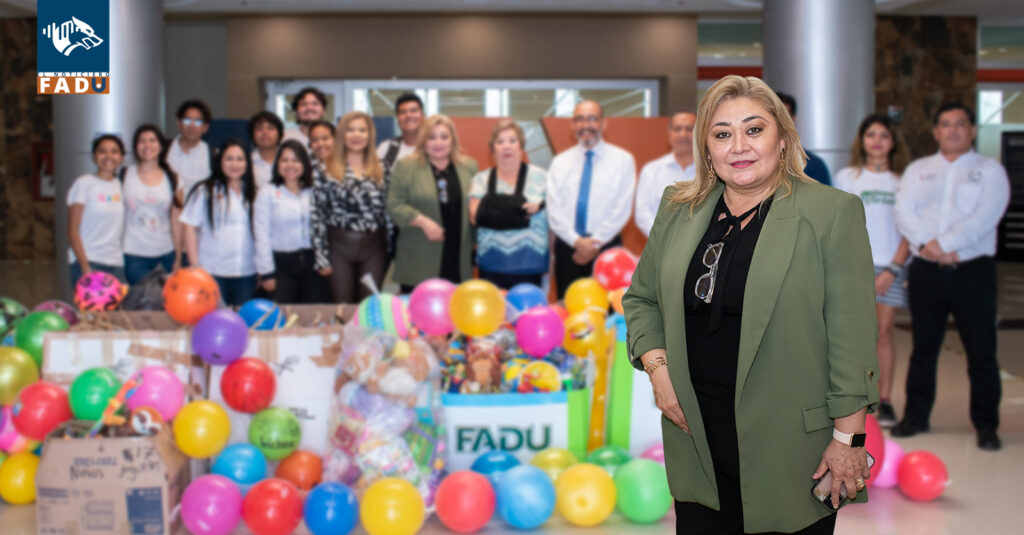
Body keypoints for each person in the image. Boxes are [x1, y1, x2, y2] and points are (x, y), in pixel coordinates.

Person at [622, 75, 878, 534]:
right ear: (707, 147)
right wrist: (659, 373)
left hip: (791, 450)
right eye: (722, 134)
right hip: (695, 438)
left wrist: (849, 439)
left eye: (754, 129)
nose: (739, 145)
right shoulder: (678, 208)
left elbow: (852, 338)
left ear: (782, 139)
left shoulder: (831, 212)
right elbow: (642, 299)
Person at [892, 103, 1010, 451]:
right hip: (927, 272)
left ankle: (987, 425)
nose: (953, 130)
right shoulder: (918, 170)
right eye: (945, 124)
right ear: (936, 132)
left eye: (960, 124)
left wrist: (943, 244)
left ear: (972, 131)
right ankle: (915, 417)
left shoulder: (990, 171)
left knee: (982, 352)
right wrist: (930, 247)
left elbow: (985, 216)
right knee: (923, 348)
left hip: (972, 272)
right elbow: (904, 213)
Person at [834, 114, 911, 428]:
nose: (877, 140)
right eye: (871, 135)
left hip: (892, 267)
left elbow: (910, 231)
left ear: (892, 142)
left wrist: (892, 270)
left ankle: (886, 399)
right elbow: (840, 225)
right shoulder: (847, 177)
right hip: (855, 265)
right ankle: (855, 399)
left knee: (884, 334)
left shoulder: (903, 181)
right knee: (852, 337)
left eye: (884, 135)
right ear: (861, 141)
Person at [546, 100, 635, 298]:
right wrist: (577, 242)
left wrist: (593, 244)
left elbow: (622, 209)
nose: (586, 125)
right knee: (571, 311)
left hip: (608, 248)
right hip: (568, 248)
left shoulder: (623, 160)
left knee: (609, 315)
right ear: (572, 125)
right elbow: (554, 210)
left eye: (592, 119)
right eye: (579, 119)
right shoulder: (560, 163)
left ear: (604, 123)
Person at [387, 114, 478, 293]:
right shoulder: (406, 166)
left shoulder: (469, 166)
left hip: (458, 256)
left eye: (444, 137)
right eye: (431, 137)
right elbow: (394, 204)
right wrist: (423, 221)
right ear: (423, 140)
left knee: (454, 315)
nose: (438, 142)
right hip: (419, 258)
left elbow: (475, 206)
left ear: (453, 139)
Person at [312, 111, 393, 303]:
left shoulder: (383, 167)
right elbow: (317, 214)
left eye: (362, 130)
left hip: (374, 249)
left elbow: (387, 211)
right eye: (350, 130)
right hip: (339, 248)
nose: (356, 135)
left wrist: (390, 249)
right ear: (341, 135)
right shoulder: (325, 167)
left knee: (369, 307)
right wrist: (321, 256)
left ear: (370, 135)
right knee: (343, 309)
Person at [468, 120, 549, 288]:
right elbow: (475, 217)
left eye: (512, 141)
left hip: (531, 264)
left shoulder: (543, 178)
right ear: (492, 149)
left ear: (521, 146)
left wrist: (494, 209)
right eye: (500, 142)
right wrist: (521, 212)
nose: (506, 146)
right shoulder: (480, 180)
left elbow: (553, 222)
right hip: (491, 264)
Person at [180, 139, 258, 306]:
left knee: (242, 324)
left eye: (240, 159)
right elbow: (189, 227)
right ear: (220, 161)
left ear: (247, 163)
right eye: (229, 159)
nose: (234, 164)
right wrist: (195, 266)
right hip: (212, 272)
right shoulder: (204, 190)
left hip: (246, 272)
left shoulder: (254, 193)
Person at [254, 139, 328, 304]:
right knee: (282, 317)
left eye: (296, 160)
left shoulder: (314, 190)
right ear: (277, 164)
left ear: (305, 164)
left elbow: (324, 227)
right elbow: (261, 234)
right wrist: (266, 272)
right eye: (285, 160)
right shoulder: (268, 192)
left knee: (314, 316)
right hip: (280, 265)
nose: (290, 165)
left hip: (313, 265)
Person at [121, 125, 181, 285]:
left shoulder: (173, 177)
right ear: (135, 147)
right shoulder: (125, 174)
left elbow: (176, 221)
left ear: (161, 146)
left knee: (167, 304)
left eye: (152, 140)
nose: (147, 146)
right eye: (142, 141)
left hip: (166, 253)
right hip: (134, 253)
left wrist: (179, 257)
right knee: (143, 302)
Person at [67, 135, 127, 285]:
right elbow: (72, 230)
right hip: (89, 261)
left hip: (115, 263)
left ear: (121, 157)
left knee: (117, 308)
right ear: (94, 156)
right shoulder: (84, 184)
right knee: (92, 309)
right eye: (102, 151)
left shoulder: (121, 186)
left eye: (114, 151)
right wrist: (85, 267)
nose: (108, 156)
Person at [635, 110, 698, 237]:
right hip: (660, 245)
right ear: (669, 133)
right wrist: (665, 238)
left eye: (689, 129)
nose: (683, 134)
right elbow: (642, 214)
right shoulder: (651, 170)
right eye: (677, 129)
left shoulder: (712, 171)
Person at [777, 92, 832, 186]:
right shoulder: (755, 160)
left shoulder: (814, 165)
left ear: (793, 119)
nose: (780, 121)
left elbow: (826, 199)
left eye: (785, 116)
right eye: (775, 115)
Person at [167, 99, 213, 201]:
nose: (192, 125)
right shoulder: (164, 149)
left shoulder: (213, 154)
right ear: (179, 123)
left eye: (197, 121)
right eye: (187, 120)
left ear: (205, 127)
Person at [377, 92, 425, 176]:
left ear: (423, 116)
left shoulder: (435, 148)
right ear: (398, 119)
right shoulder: (386, 148)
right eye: (403, 112)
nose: (408, 115)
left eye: (413, 110)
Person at [249, 111, 284, 188]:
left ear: (280, 134)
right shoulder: (246, 162)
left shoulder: (289, 160)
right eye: (259, 129)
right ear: (252, 135)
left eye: (270, 128)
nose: (265, 132)